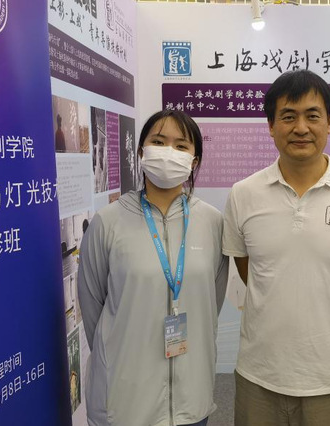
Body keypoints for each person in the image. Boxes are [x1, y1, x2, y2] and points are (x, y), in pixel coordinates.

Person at [222, 69, 330, 426]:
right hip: (259, 372)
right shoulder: (243, 194)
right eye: (288, 116)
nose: (301, 128)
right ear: (270, 125)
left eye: (312, 116)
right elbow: (250, 270)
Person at [78, 110, 228, 426]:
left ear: (194, 161)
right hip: (126, 401)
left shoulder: (212, 222)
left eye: (181, 145)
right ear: (141, 151)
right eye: (158, 142)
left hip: (190, 400)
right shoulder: (108, 222)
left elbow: (211, 301)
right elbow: (93, 310)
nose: (168, 152)